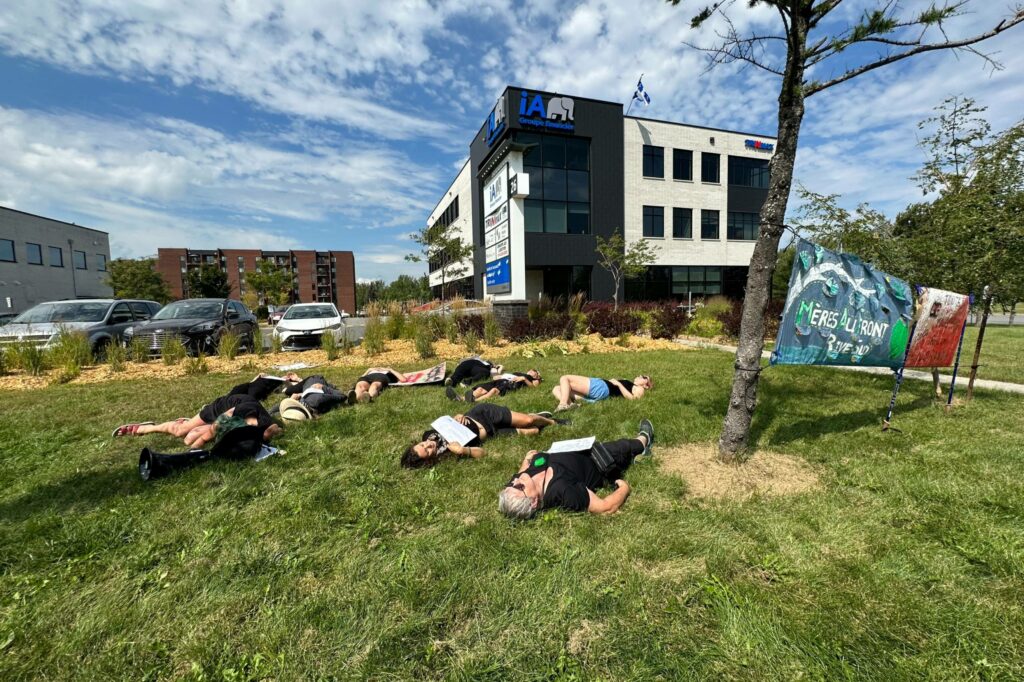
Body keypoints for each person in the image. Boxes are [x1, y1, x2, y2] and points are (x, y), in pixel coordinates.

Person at [498, 420, 655, 518]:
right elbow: (605, 507)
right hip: (599, 459)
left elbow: (520, 473)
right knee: (628, 445)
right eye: (518, 486)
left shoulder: (520, 480)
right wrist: (624, 489)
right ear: (533, 502)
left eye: (510, 484)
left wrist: (527, 460)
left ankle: (637, 456)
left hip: (574, 448)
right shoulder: (563, 491)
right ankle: (644, 440)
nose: (516, 480)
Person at [111, 373, 297, 447]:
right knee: (183, 432)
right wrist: (197, 449)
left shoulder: (263, 427)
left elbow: (276, 430)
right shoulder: (237, 415)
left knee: (189, 438)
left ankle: (190, 425)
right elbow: (213, 430)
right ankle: (146, 428)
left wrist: (269, 435)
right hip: (226, 405)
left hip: (235, 418)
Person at [400, 404, 569, 468]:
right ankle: (537, 416)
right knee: (533, 431)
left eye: (422, 445)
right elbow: (483, 453)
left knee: (528, 420)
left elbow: (451, 419)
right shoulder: (447, 457)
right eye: (427, 451)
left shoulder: (429, 434)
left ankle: (552, 421)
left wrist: (459, 416)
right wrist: (463, 451)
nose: (428, 445)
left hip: (482, 415)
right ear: (430, 460)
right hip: (490, 434)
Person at [551, 374, 653, 411]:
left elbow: (633, 399)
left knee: (565, 378)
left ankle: (563, 404)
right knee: (557, 388)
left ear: (646, 385)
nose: (640, 375)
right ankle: (571, 404)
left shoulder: (640, 389)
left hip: (602, 387)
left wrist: (618, 384)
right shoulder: (632, 385)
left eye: (644, 377)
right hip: (602, 388)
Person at [274, 374, 349, 421]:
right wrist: (323, 387)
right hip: (314, 380)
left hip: (306, 387)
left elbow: (273, 411)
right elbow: (342, 396)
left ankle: (294, 382)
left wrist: (291, 399)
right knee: (288, 390)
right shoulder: (318, 401)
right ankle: (297, 381)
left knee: (288, 391)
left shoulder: (304, 404)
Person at [445, 369, 542, 403]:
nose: (532, 371)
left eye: (535, 372)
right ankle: (460, 398)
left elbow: (534, 387)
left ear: (537, 375)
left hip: (510, 384)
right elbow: (497, 377)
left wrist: (524, 379)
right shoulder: (519, 372)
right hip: (501, 380)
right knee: (480, 389)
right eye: (532, 370)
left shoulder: (533, 379)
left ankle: (473, 401)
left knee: (494, 391)